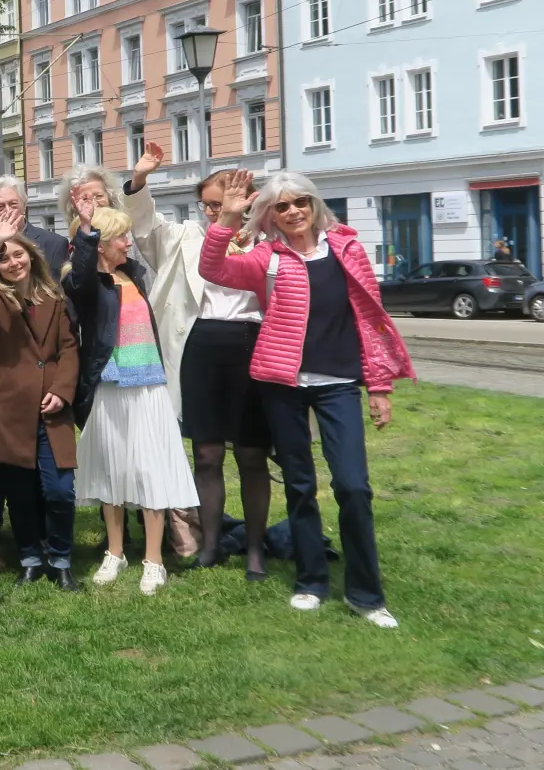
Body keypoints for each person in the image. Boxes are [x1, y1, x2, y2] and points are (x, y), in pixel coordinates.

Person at [200, 171, 414, 629]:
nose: (293, 211)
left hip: (338, 383)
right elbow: (212, 270)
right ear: (271, 215)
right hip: (283, 385)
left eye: (300, 202)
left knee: (353, 486)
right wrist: (229, 219)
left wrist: (379, 387)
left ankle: (366, 595)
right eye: (282, 206)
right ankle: (311, 582)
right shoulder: (267, 256)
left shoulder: (348, 250)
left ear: (315, 205)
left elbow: (369, 320)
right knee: (299, 485)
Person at [125, 145, 272, 577]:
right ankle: (209, 544)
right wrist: (139, 180)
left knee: (251, 454)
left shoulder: (266, 241)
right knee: (206, 453)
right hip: (200, 345)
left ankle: (255, 550)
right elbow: (145, 227)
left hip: (252, 344)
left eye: (223, 202)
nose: (215, 211)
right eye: (208, 203)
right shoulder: (187, 237)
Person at [64, 199, 198, 595]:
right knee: (111, 471)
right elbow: (81, 279)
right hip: (110, 386)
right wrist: (86, 232)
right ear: (101, 243)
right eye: (120, 236)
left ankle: (153, 560)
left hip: (149, 387)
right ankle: (115, 552)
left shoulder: (135, 275)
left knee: (149, 469)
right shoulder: (84, 282)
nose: (128, 242)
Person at [0, 218, 80, 589]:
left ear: (32, 257)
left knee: (61, 489)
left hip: (51, 408)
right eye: (6, 258)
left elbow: (68, 350)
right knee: (20, 493)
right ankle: (31, 557)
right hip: (7, 410)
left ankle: (61, 559)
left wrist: (63, 391)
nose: (13, 262)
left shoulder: (55, 299)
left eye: (19, 255)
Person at [0, 175, 69, 274]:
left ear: (24, 206)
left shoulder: (54, 243)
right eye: (0, 207)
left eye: (13, 204)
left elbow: (56, 286)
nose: (8, 211)